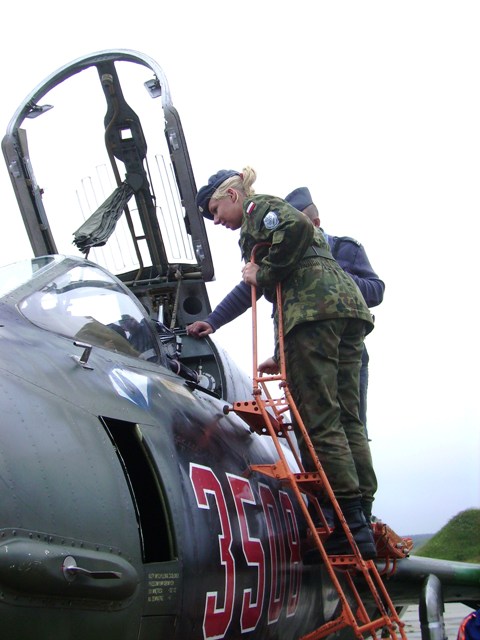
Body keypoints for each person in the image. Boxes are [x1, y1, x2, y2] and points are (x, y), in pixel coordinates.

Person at [193, 167, 378, 558]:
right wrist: (215, 321)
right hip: (347, 315)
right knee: (348, 422)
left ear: (232, 195)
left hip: (312, 317)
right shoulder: (272, 222)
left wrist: (265, 271)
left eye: (215, 211)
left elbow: (295, 228)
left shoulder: (258, 209)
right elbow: (257, 286)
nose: (217, 221)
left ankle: (347, 524)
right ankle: (360, 518)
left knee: (318, 421)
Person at [188, 187, 384, 437]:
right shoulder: (278, 257)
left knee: (351, 423)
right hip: (302, 341)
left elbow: (376, 290)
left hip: (342, 341)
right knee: (311, 424)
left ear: (314, 224)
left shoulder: (344, 248)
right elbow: (250, 289)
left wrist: (326, 276)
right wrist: (213, 321)